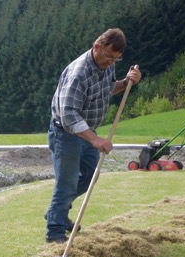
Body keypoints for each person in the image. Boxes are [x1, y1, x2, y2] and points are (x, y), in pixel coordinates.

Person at [45, 28, 141, 243]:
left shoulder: (107, 66)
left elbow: (108, 88)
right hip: (66, 133)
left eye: (116, 59)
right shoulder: (78, 73)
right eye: (108, 56)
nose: (111, 62)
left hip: (87, 131)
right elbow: (68, 114)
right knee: (67, 183)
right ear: (96, 46)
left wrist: (126, 83)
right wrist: (96, 140)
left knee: (90, 176)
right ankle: (55, 233)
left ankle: (56, 212)